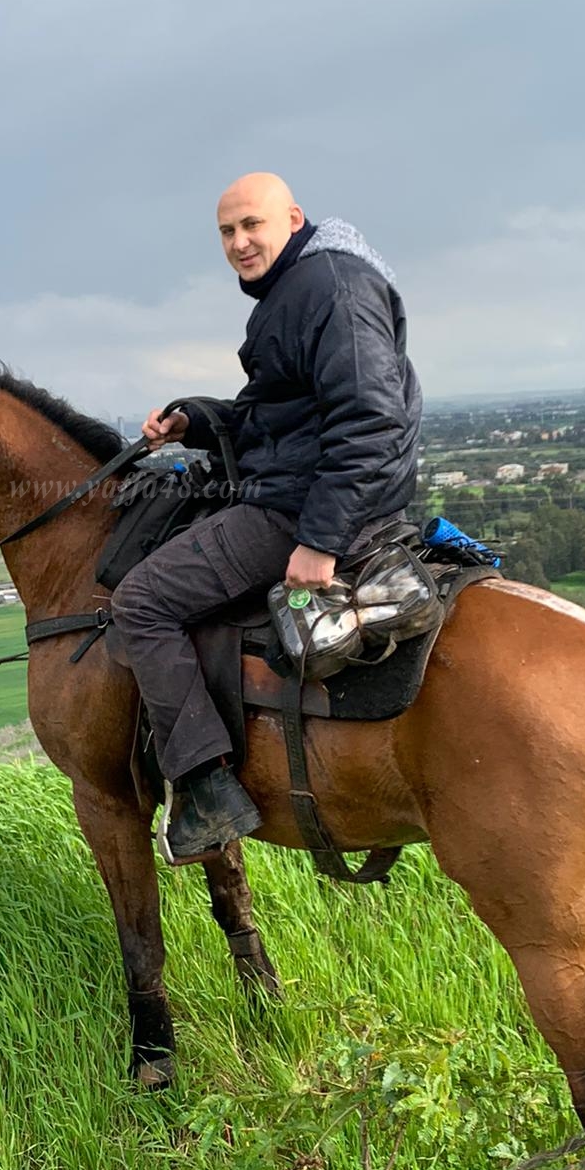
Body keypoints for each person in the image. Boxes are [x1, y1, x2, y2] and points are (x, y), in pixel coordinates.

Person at [110, 171, 422, 863]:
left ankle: (205, 788)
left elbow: (370, 418)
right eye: (227, 232)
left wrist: (319, 540)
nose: (240, 242)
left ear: (294, 218)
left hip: (303, 507)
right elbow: (276, 415)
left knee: (142, 602)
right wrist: (196, 419)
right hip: (303, 489)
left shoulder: (329, 288)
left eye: (252, 225)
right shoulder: (295, 290)